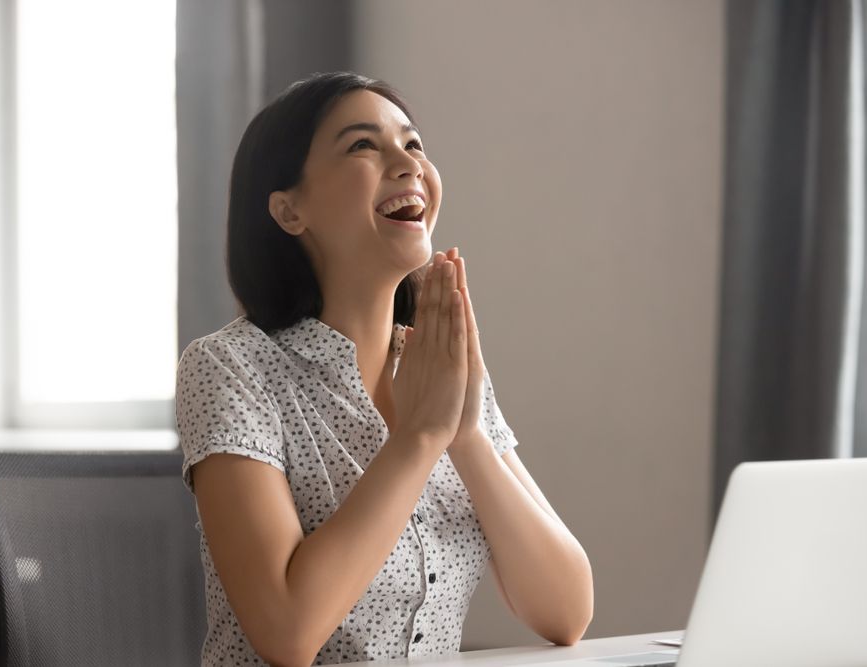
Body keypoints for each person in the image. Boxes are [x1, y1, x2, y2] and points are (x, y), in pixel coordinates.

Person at [175, 71, 593, 667]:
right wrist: (420, 437)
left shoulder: (440, 367)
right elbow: (288, 633)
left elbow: (566, 613)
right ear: (290, 211)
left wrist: (465, 435)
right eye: (363, 145)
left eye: (414, 144)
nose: (408, 164)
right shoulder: (228, 366)